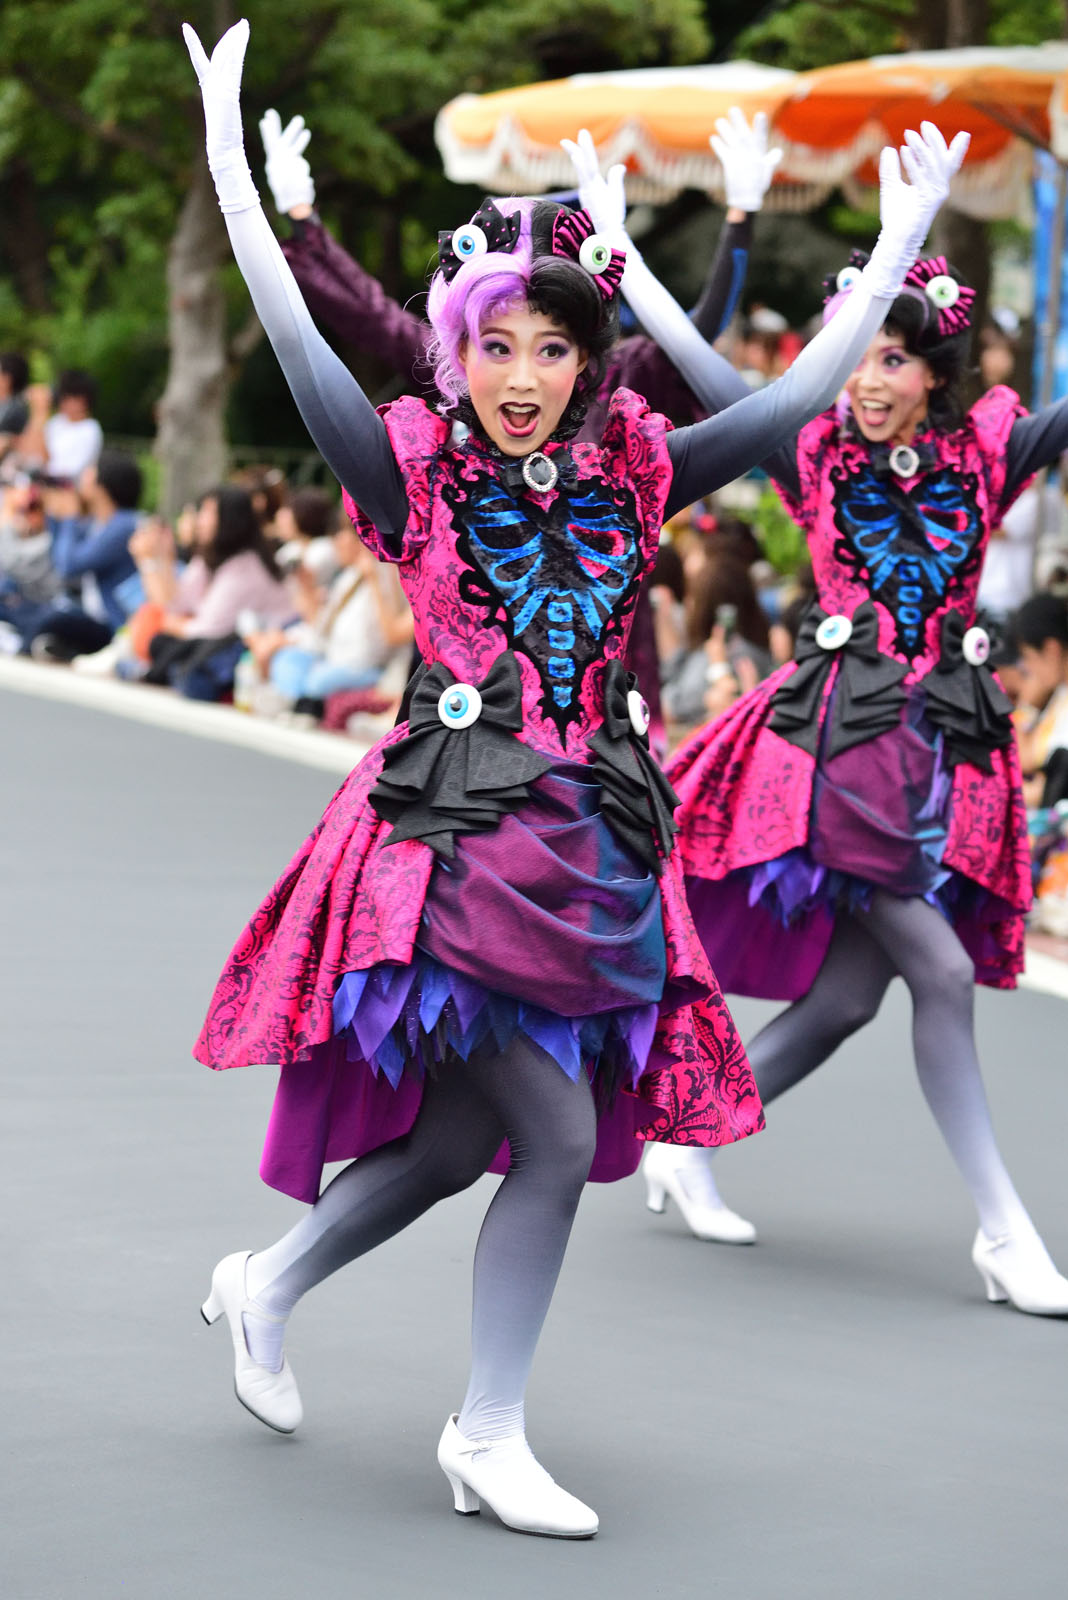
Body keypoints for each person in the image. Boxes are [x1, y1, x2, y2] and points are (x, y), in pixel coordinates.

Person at [184, 19, 960, 1537]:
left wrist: (892, 255)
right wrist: (229, 178)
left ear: (587, 360)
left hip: (594, 842)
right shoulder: (406, 461)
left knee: (470, 1137)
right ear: (456, 347)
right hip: (444, 844)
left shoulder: (632, 468)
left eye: (554, 347)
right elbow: (296, 344)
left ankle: (265, 1280)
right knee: (542, 1133)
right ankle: (486, 1432)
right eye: (497, 345)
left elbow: (797, 405)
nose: (524, 375)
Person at [636, 225, 1068, 1313]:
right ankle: (1006, 1230)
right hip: (835, 752)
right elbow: (705, 367)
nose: (870, 381)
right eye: (857, 354)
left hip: (945, 755)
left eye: (894, 359)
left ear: (936, 373)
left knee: (840, 1004)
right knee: (943, 973)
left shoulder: (987, 451)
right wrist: (634, 266)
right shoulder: (810, 446)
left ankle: (684, 1143)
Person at [132, 484, 292, 699]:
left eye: (208, 513)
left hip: (248, 650)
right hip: (213, 639)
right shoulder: (209, 559)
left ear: (230, 521)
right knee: (159, 640)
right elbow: (175, 603)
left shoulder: (245, 567)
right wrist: (158, 558)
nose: (200, 521)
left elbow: (208, 630)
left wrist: (174, 622)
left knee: (175, 644)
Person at [22, 449, 142, 661]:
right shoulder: (99, 522)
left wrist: (69, 517)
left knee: (53, 619)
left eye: (90, 471)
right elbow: (58, 558)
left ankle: (23, 640)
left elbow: (69, 566)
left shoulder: (123, 525)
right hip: (86, 612)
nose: (83, 477)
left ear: (105, 482)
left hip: (110, 624)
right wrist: (54, 513)